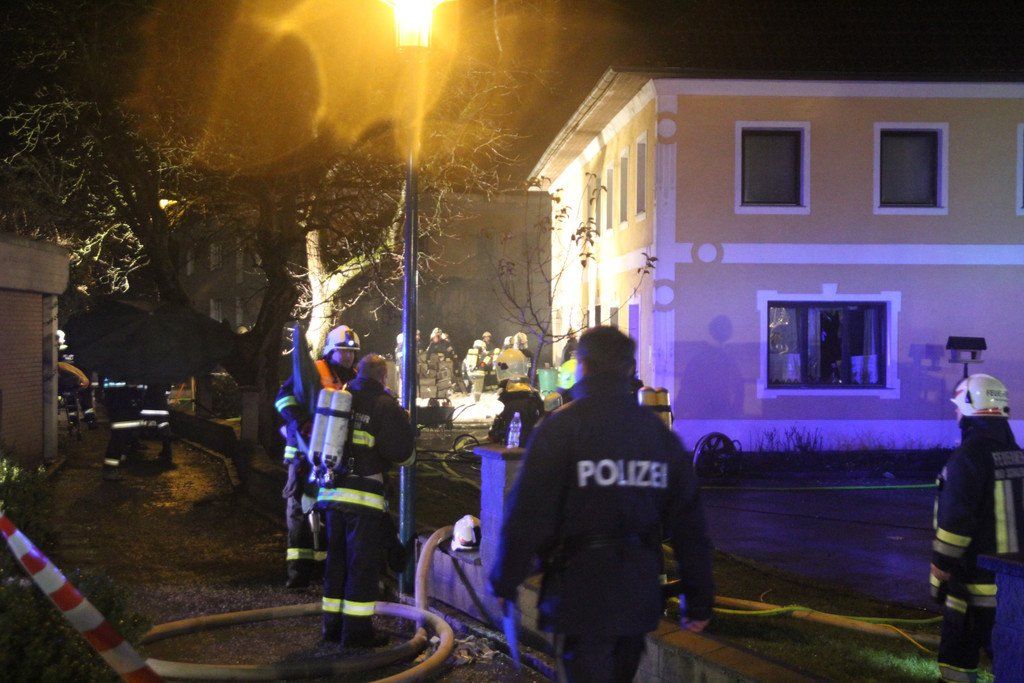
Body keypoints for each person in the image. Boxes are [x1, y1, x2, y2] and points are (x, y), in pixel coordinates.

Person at [489, 326, 714, 682]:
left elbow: (527, 512)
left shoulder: (561, 429)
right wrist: (698, 599)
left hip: (579, 591)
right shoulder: (656, 435)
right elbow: (690, 522)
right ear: (628, 369)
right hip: (635, 593)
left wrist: (505, 579)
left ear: (583, 366)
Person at [317, 354, 415, 646]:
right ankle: (356, 634)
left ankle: (332, 628)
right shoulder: (385, 405)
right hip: (364, 500)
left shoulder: (340, 397)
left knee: (336, 563)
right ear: (383, 376)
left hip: (331, 494)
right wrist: (405, 424)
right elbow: (404, 456)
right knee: (361, 567)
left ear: (358, 371)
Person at [931, 373, 1023, 682]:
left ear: (970, 407)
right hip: (1014, 586)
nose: (956, 414)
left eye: (958, 407)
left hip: (973, 586)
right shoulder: (1018, 455)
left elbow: (956, 522)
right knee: (1012, 658)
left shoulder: (967, 459)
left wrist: (941, 565)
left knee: (958, 661)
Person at [276, 324, 360, 589]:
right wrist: (301, 421)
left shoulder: (354, 378)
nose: (348, 356)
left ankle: (325, 569)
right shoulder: (313, 372)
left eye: (352, 352)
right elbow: (283, 399)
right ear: (330, 352)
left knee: (328, 512)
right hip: (302, 455)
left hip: (333, 459)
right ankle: (298, 572)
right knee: (299, 511)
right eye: (343, 351)